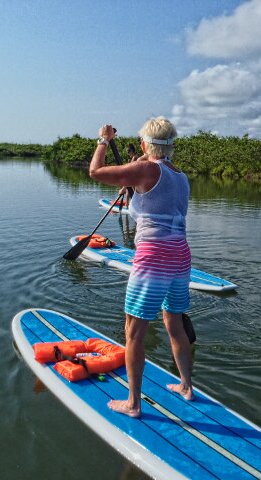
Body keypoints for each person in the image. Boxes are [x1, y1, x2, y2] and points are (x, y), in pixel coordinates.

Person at [89, 117, 193, 418]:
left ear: (147, 143)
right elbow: (155, 199)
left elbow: (95, 171)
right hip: (180, 255)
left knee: (133, 333)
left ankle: (133, 403)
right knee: (174, 324)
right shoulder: (180, 174)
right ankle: (186, 386)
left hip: (154, 258)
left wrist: (104, 140)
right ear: (170, 144)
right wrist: (134, 184)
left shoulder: (147, 169)